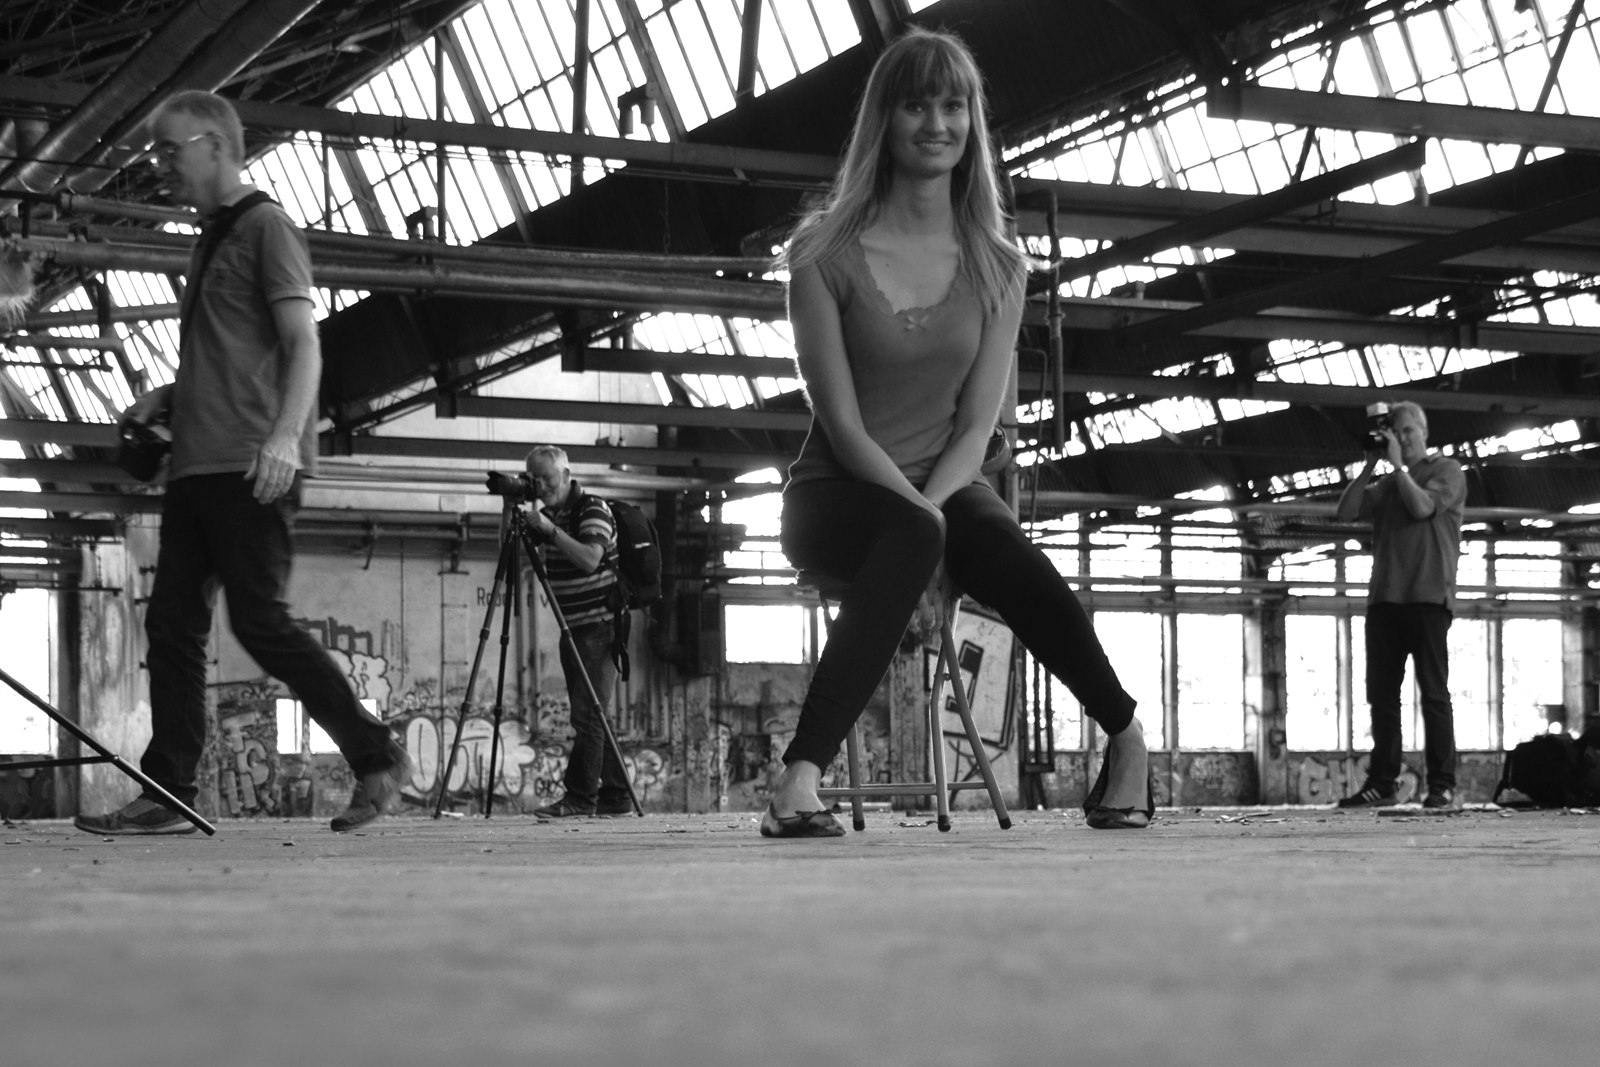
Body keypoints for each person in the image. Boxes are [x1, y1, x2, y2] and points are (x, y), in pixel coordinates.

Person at [766, 27, 1151, 838]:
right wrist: (923, 521)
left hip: (948, 478)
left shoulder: (999, 266)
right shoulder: (821, 253)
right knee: (913, 529)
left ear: (974, 122)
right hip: (838, 491)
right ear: (884, 119)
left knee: (1003, 546)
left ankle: (1126, 736)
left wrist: (935, 512)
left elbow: (978, 425)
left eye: (953, 105)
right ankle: (798, 782)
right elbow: (841, 423)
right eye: (916, 105)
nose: (936, 123)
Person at [74, 91, 407, 836]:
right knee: (172, 626)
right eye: (156, 152)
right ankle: (169, 790)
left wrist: (286, 438)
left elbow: (303, 343)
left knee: (258, 620)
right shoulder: (210, 241)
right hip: (195, 467)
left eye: (170, 150)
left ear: (216, 145)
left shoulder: (266, 227)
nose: (160, 166)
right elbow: (232, 353)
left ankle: (377, 754)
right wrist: (167, 395)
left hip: (252, 464)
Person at [1335, 401, 1467, 810]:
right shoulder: (1390, 482)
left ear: (1425, 433)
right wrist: (1370, 466)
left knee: (1434, 694)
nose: (1403, 438)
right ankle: (1382, 783)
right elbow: (1345, 512)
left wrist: (1397, 467)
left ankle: (1442, 785)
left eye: (1408, 430)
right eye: (1396, 431)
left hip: (1428, 598)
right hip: (1385, 601)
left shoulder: (1447, 470)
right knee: (1382, 697)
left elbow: (1423, 507)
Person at [522, 445, 633, 818]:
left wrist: (550, 531)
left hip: (600, 625)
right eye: (534, 479)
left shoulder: (592, 509)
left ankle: (580, 798)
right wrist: (514, 512)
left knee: (587, 716)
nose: (541, 486)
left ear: (567, 475)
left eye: (547, 478)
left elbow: (589, 558)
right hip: (574, 628)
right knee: (594, 714)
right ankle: (617, 795)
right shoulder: (551, 515)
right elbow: (511, 553)